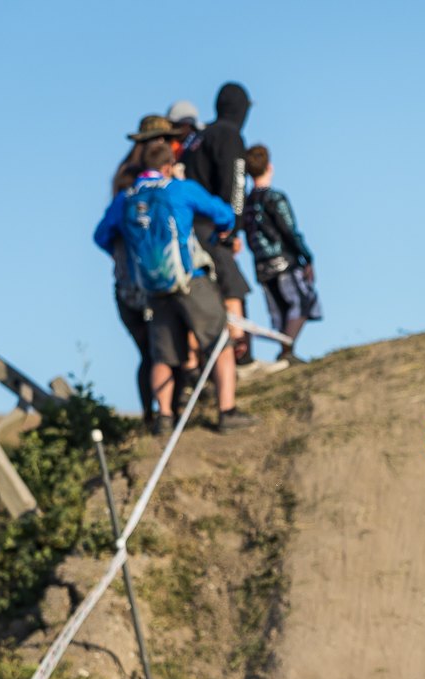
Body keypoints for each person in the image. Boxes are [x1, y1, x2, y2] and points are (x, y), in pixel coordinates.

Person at [94, 140, 257, 434]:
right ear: (168, 165)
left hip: (152, 288)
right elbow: (222, 213)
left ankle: (164, 418)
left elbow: (101, 235)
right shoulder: (179, 189)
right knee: (219, 342)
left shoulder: (127, 198)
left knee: (163, 356)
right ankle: (227, 411)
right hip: (188, 279)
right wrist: (222, 231)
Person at [108, 115, 187, 424]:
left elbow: (103, 234)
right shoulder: (142, 184)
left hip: (132, 279)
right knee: (162, 348)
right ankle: (163, 413)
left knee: (153, 351)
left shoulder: (125, 179)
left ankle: (154, 415)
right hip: (154, 278)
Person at [181, 83, 254, 365]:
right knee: (232, 287)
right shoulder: (229, 135)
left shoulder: (198, 138)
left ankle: (195, 364)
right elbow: (235, 184)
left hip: (189, 228)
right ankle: (242, 357)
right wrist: (233, 229)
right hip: (213, 227)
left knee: (201, 293)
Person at [243, 144, 320, 363]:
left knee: (280, 310)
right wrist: (306, 257)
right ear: (269, 166)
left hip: (261, 264)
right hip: (284, 261)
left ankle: (286, 350)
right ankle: (286, 351)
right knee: (303, 301)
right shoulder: (274, 198)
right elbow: (289, 230)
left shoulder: (247, 204)